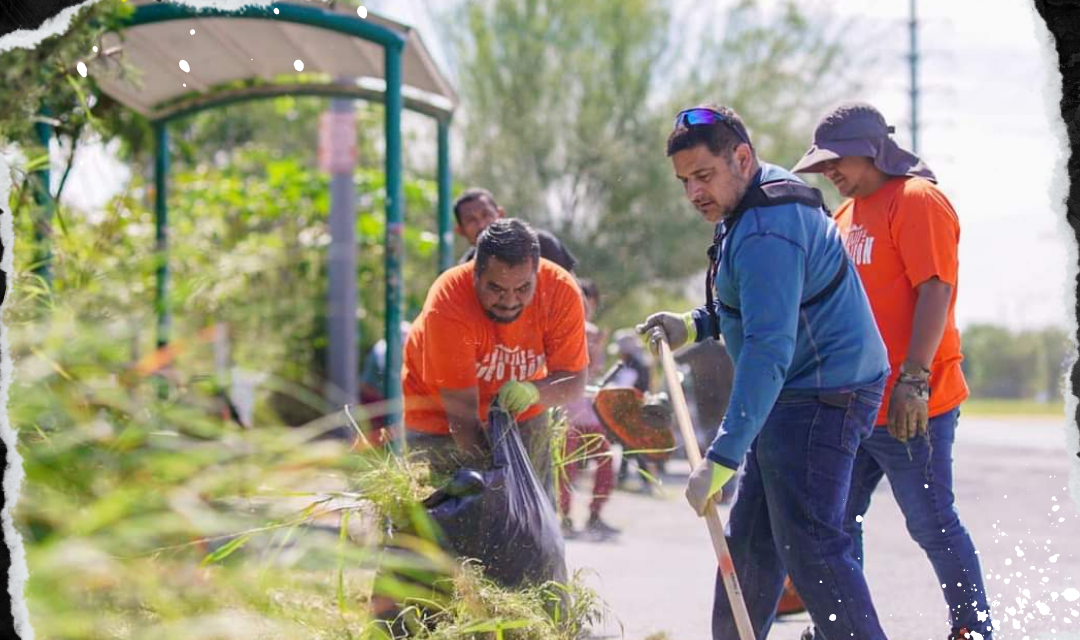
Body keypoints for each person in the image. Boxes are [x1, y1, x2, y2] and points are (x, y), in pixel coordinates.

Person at [636, 104, 891, 640]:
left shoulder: (766, 230)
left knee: (812, 545)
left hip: (824, 392)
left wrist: (723, 453)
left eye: (703, 176)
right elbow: (760, 306)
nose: (693, 194)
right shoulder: (750, 200)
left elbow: (769, 349)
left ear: (742, 157)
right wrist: (695, 324)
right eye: (684, 181)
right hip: (796, 386)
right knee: (752, 540)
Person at [792, 101, 993, 640]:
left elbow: (936, 288)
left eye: (837, 161)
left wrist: (913, 379)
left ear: (872, 150)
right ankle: (840, 628)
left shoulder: (915, 200)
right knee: (834, 526)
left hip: (913, 403)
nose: (829, 172)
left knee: (931, 523)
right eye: (822, 165)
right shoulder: (842, 217)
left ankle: (973, 630)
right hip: (853, 405)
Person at [401, 218, 589, 502]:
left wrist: (534, 392)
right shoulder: (449, 300)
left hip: (520, 413)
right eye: (496, 288)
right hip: (440, 415)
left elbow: (574, 382)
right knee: (441, 522)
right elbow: (462, 418)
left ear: (537, 274)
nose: (510, 301)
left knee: (532, 514)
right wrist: (497, 486)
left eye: (523, 288)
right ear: (475, 272)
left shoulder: (561, 290)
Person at [558, 278, 619, 538]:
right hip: (566, 414)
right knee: (567, 467)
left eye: (589, 301)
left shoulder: (591, 332)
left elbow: (594, 372)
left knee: (603, 460)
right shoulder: (572, 329)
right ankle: (566, 517)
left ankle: (592, 513)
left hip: (586, 412)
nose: (586, 306)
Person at [453, 187, 578, 273]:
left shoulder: (541, 244)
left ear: (500, 214)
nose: (481, 225)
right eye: (471, 220)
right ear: (461, 231)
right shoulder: (465, 270)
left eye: (486, 215)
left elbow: (575, 296)